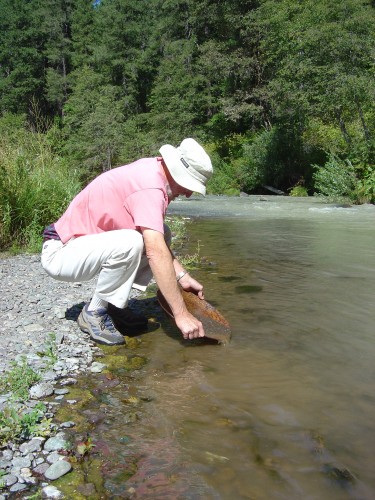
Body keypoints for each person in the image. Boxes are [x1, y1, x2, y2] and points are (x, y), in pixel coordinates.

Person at [41, 138, 213, 346]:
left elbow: (157, 242)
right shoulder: (150, 188)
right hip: (61, 253)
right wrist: (181, 314)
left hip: (82, 247)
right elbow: (156, 252)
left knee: (160, 233)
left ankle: (113, 306)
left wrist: (182, 276)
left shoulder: (153, 170)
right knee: (134, 242)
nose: (188, 193)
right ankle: (94, 312)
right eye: (188, 185)